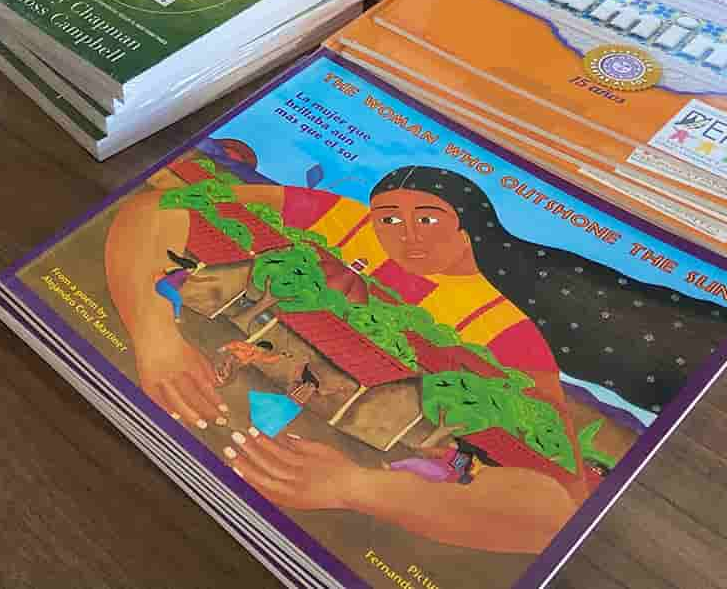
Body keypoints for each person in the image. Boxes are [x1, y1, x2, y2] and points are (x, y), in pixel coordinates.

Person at [103, 165, 590, 554]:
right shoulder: (343, 218)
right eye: (390, 219)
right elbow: (159, 207)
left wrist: (353, 488)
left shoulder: (507, 329)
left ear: (468, 229)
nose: (403, 234)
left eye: (427, 218)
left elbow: (554, 509)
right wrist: (156, 339)